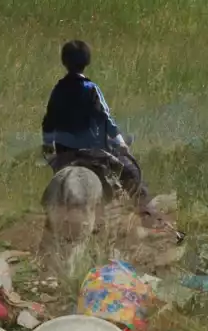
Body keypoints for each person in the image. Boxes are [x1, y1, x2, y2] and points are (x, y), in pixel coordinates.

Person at [41, 40, 153, 213]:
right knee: (132, 173)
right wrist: (121, 142)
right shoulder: (91, 88)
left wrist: (48, 146)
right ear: (86, 62)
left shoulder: (58, 90)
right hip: (93, 152)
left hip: (64, 154)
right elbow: (106, 118)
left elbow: (48, 121)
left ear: (64, 62)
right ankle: (147, 215)